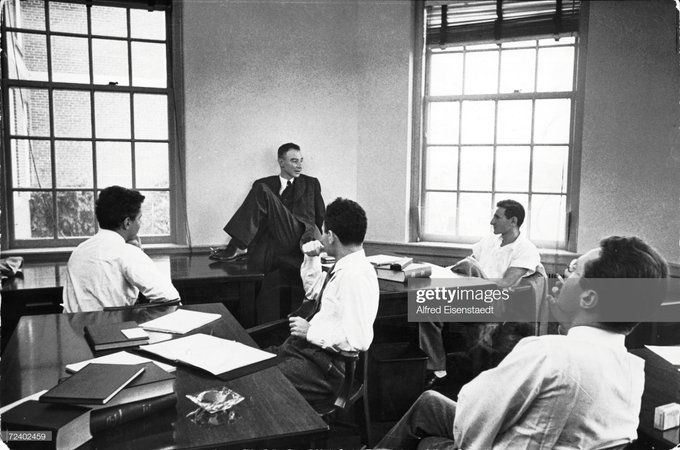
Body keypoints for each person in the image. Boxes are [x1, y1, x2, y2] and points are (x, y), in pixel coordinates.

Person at [376, 235, 668, 450]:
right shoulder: (633, 371)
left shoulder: (548, 353)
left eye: (573, 271)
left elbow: (470, 426)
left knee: (427, 440)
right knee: (430, 403)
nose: (563, 276)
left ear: (588, 298)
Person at [420, 199, 541, 388]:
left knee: (469, 266)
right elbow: (466, 265)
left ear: (513, 221)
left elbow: (505, 284)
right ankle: (437, 367)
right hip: (473, 298)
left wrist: (472, 276)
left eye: (497, 217)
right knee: (427, 307)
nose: (492, 221)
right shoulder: (490, 241)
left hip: (498, 304)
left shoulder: (525, 249)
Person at [274, 198, 379, 406]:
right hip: (310, 356)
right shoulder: (346, 265)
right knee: (252, 367)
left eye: (323, 232)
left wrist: (309, 331)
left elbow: (359, 340)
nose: (320, 237)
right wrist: (311, 257)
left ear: (331, 237)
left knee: (259, 380)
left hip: (328, 369)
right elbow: (315, 292)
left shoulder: (354, 276)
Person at [62, 186, 180, 313]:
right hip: (113, 329)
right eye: (139, 219)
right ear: (127, 222)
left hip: (75, 330)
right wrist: (138, 254)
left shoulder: (78, 251)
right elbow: (171, 297)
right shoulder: (128, 253)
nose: (141, 223)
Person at [210, 142, 325, 273]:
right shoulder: (264, 183)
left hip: (298, 237)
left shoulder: (311, 183)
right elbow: (254, 217)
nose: (299, 166)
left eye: (301, 161)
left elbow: (320, 215)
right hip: (273, 241)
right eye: (294, 161)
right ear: (281, 162)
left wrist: (315, 242)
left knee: (262, 189)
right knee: (262, 188)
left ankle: (237, 246)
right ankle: (241, 247)